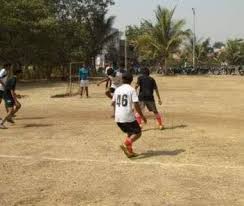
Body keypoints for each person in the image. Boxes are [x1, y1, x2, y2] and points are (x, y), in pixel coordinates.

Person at [112, 72, 147, 158]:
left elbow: (113, 103)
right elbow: (136, 104)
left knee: (130, 134)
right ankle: (125, 144)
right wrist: (142, 116)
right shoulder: (131, 90)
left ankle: (130, 152)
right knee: (138, 133)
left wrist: (117, 111)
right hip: (127, 117)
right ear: (131, 80)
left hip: (118, 118)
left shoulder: (117, 89)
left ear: (122, 80)